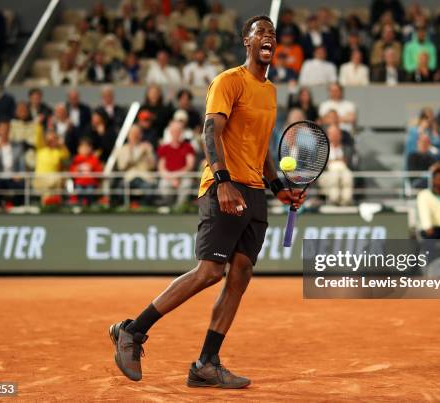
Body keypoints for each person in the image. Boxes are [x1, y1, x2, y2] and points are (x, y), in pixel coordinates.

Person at [109, 15, 304, 389]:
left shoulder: (271, 92)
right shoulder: (228, 81)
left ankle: (206, 363)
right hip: (224, 187)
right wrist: (223, 180)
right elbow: (210, 131)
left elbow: (260, 149)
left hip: (254, 192)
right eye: (260, 32)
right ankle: (132, 331)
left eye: (272, 34)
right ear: (246, 42)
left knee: (241, 274)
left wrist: (278, 187)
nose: (268, 37)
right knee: (210, 272)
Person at [0, 120, 25, 206]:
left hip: (12, 177)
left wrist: (19, 175)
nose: (5, 131)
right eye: (3, 129)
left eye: (7, 129)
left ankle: (17, 210)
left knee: (20, 186)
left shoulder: (17, 146)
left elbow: (22, 167)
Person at [116, 125, 157, 204]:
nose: (135, 136)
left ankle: (144, 209)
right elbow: (121, 167)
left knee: (149, 189)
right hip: (129, 178)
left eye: (137, 133)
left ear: (141, 135)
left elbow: (152, 166)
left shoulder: (147, 147)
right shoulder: (123, 149)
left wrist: (146, 154)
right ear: (128, 135)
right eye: (132, 134)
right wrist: (130, 154)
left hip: (145, 178)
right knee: (120, 189)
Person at [318, 124, 354, 205]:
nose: (334, 136)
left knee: (348, 176)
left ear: (340, 135)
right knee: (334, 174)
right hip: (328, 174)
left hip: (344, 173)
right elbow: (320, 167)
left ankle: (346, 201)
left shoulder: (347, 149)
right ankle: (334, 200)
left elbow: (351, 165)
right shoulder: (323, 149)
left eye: (336, 134)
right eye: (332, 134)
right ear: (328, 135)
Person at [33, 129, 70, 202]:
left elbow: (66, 155)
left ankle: (49, 205)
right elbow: (38, 137)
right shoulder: (40, 149)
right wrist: (39, 125)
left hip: (54, 181)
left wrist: (60, 144)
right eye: (50, 140)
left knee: (50, 193)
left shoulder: (58, 152)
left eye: (54, 139)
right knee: (58, 179)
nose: (52, 141)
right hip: (40, 179)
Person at [69, 137, 103, 205]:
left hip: (91, 183)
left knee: (89, 191)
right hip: (79, 183)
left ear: (91, 148)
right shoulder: (76, 159)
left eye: (87, 147)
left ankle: (88, 204)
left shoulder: (94, 159)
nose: (85, 149)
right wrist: (77, 169)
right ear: (79, 149)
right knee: (78, 190)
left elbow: (99, 172)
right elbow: (71, 171)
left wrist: (92, 169)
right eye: (83, 147)